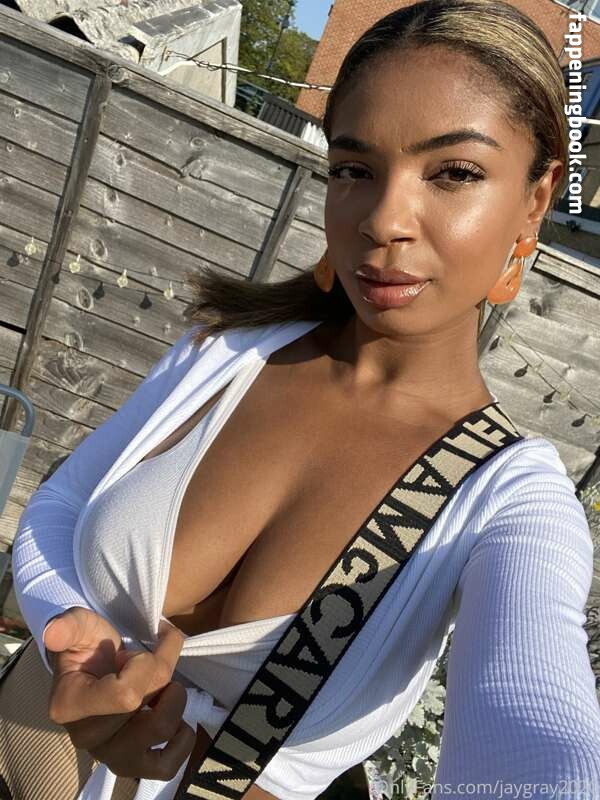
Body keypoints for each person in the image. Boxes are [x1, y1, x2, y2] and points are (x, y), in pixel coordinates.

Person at [11, 0, 600, 798]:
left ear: (535, 199)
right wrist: (65, 638)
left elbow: (536, 730)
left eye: (454, 173)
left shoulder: (509, 498)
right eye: (354, 170)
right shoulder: (229, 351)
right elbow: (60, 505)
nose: (383, 220)